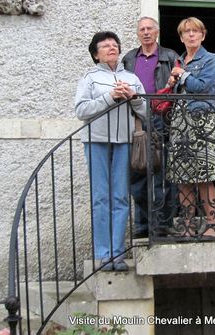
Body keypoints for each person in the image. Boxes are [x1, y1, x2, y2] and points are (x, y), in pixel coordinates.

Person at [75, 31, 146, 271]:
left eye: (114, 45)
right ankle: (103, 255)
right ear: (96, 54)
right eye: (105, 46)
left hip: (124, 142)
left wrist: (133, 98)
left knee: (120, 198)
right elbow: (81, 110)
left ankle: (118, 253)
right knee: (101, 198)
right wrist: (110, 97)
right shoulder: (90, 78)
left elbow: (146, 111)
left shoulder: (132, 77)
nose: (111, 48)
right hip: (96, 141)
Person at [165, 17, 215, 237]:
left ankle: (211, 224)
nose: (191, 35)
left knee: (204, 175)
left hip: (202, 120)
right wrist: (172, 83)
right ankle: (188, 225)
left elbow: (203, 86)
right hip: (180, 122)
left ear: (202, 35)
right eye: (186, 32)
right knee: (182, 177)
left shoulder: (210, 58)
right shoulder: (179, 60)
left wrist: (183, 75)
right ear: (181, 37)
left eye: (195, 31)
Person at [123, 17, 179, 238]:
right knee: (138, 173)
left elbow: (178, 89)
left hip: (160, 117)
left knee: (161, 174)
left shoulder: (170, 56)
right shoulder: (128, 58)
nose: (146, 33)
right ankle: (142, 225)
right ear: (138, 33)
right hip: (136, 118)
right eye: (142, 29)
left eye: (149, 29)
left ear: (157, 32)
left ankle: (162, 224)